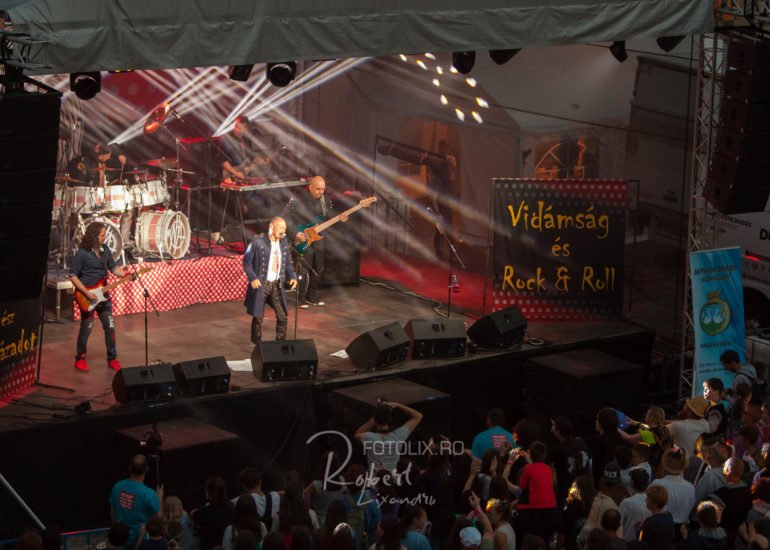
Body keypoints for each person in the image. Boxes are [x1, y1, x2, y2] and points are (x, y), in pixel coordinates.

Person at [69, 221, 133, 371]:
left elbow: (113, 268)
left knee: (110, 327)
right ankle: (80, 358)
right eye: (102, 235)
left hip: (103, 295)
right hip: (87, 296)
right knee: (87, 328)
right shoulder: (83, 253)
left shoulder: (105, 250)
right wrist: (87, 293)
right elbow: (72, 275)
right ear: (94, 236)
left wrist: (126, 275)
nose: (105, 237)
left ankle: (112, 358)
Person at [283, 176, 347, 308]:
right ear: (310, 187)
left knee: (319, 267)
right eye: (318, 189)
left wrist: (340, 218)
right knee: (305, 268)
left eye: (323, 189)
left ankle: (311, 297)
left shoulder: (325, 200)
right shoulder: (297, 198)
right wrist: (295, 233)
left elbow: (329, 217)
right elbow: (284, 217)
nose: (321, 192)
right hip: (301, 236)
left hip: (318, 236)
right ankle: (300, 298)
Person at [242, 217, 298, 344]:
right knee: (258, 317)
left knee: (282, 316)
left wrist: (293, 276)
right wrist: (253, 278)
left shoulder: (284, 243)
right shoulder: (257, 242)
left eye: (284, 229)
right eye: (280, 228)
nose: (283, 231)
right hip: (262, 285)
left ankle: (280, 344)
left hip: (276, 286)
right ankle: (257, 344)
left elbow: (288, 262)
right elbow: (246, 261)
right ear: (271, 227)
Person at [108, 455, 162, 550]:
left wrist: (115, 528)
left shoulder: (117, 486)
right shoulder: (150, 494)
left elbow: (113, 510)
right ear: (147, 469)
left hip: (120, 537)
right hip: (139, 539)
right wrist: (159, 498)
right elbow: (159, 517)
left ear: (130, 468)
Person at [354, 400, 423, 473]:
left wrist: (376, 416)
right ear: (390, 419)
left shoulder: (369, 437)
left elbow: (357, 434)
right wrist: (398, 405)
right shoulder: (398, 436)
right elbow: (418, 416)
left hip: (373, 478)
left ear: (375, 419)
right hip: (391, 478)